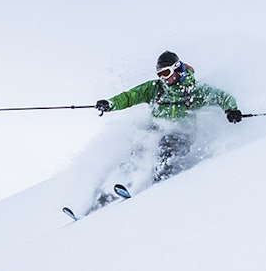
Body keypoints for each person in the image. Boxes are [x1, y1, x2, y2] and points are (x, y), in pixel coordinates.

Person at [95, 51, 242, 182]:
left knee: (167, 145)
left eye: (165, 73)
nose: (163, 78)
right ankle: (121, 185)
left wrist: (231, 110)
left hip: (182, 133)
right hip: (156, 129)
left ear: (177, 69)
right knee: (140, 145)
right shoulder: (155, 88)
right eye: (159, 74)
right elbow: (130, 96)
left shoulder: (194, 90)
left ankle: (159, 184)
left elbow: (221, 97)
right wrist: (110, 104)